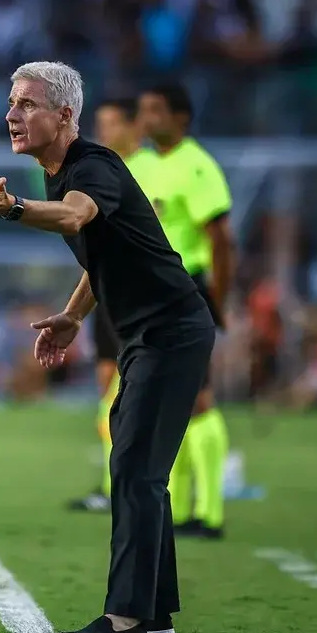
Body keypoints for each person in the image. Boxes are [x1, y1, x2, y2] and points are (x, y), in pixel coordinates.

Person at [0, 61, 215, 633]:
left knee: (134, 468)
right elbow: (107, 253)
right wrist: (74, 314)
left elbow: (75, 217)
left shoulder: (90, 168)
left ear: (65, 115)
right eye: (11, 103)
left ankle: (127, 617)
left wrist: (13, 210)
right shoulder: (62, 170)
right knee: (136, 465)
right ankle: (154, 611)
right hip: (146, 335)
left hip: (172, 331)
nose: (11, 115)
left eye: (26, 104)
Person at [128, 82, 235, 539]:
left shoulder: (198, 166)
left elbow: (221, 239)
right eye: (143, 109)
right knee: (160, 399)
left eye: (156, 109)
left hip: (185, 288)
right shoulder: (139, 164)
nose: (147, 118)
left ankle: (209, 513)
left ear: (181, 118)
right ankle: (172, 509)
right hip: (141, 294)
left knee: (197, 398)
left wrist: (219, 301)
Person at [69, 97, 145, 512]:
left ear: (135, 128)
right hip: (105, 289)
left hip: (139, 293)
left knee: (128, 393)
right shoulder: (97, 168)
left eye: (113, 123)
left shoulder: (149, 170)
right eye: (100, 123)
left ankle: (132, 483)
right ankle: (108, 484)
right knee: (105, 387)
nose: (105, 131)